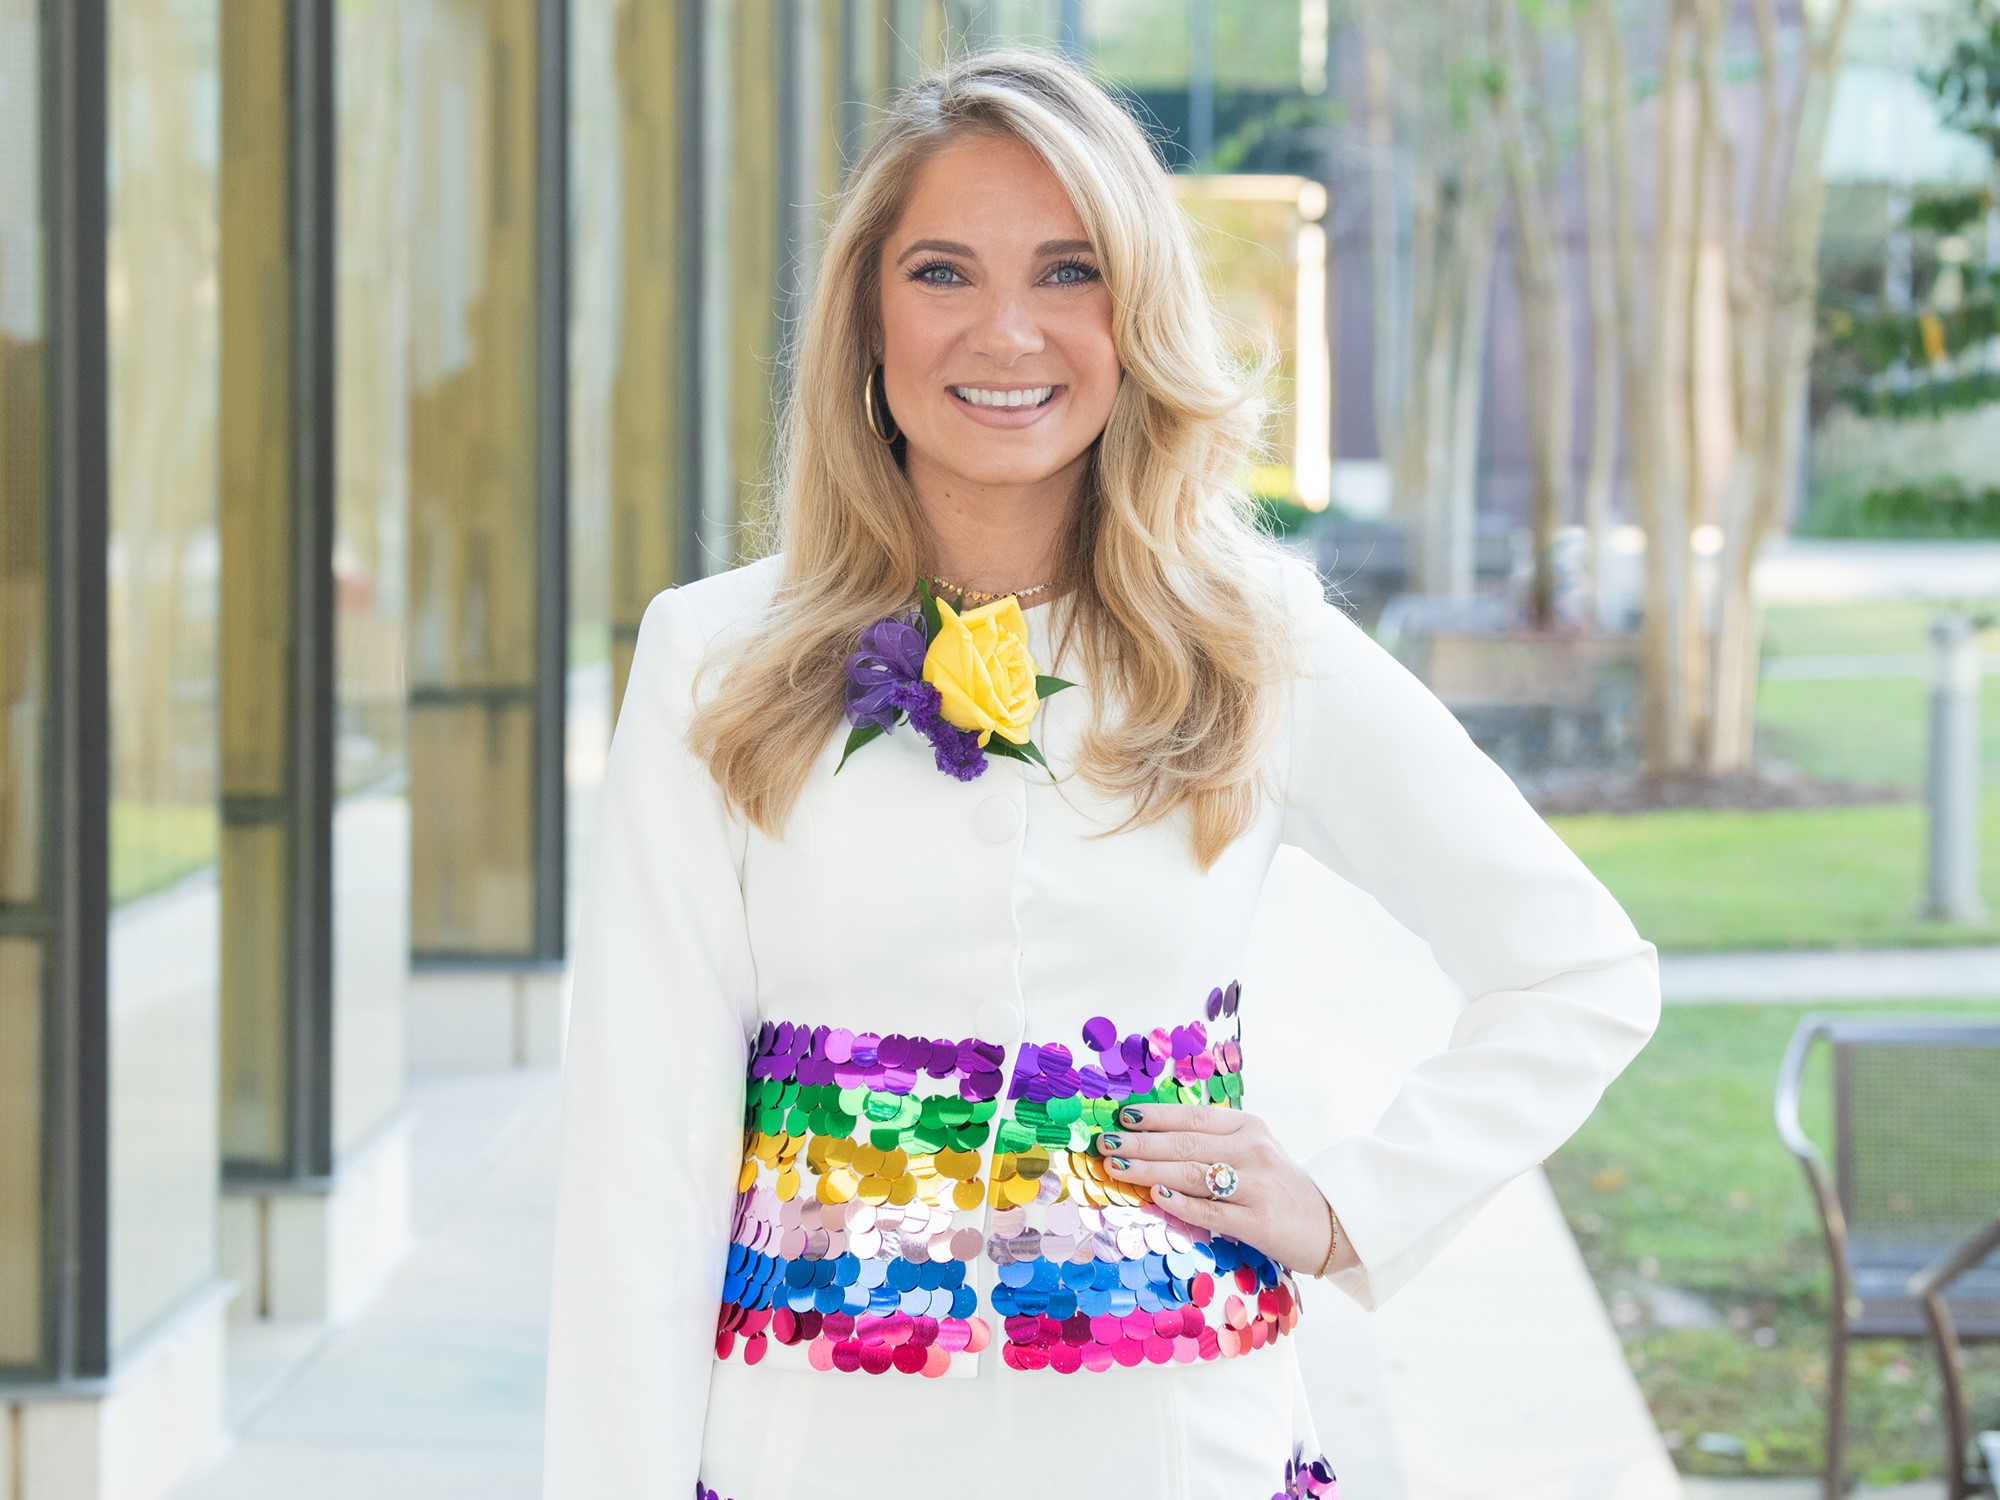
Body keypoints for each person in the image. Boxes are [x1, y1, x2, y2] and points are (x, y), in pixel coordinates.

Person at [540, 46, 1660, 1500]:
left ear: (1136, 317)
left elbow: (1578, 973)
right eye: (943, 272)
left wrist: (1342, 1211)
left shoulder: (1259, 645)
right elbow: (637, 1159)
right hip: (814, 1458)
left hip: (1177, 1447)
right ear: (867, 319)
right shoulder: (712, 657)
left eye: (1068, 272)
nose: (1006, 331)